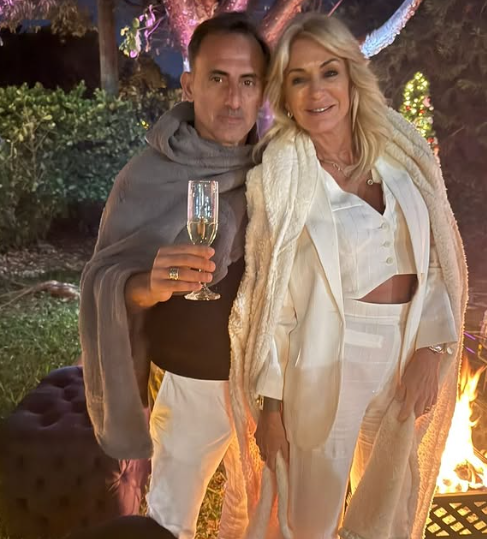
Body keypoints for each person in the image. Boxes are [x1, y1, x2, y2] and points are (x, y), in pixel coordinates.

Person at [229, 13, 468, 539]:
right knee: (307, 523)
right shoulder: (281, 178)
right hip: (323, 362)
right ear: (285, 94)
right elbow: (273, 303)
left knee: (389, 517)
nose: (317, 91)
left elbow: (435, 259)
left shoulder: (399, 159)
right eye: (299, 78)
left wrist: (433, 347)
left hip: (404, 355)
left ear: (351, 77)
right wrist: (271, 409)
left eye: (329, 72)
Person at [79, 12, 270, 539]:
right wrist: (148, 284)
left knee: (266, 520)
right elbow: (103, 277)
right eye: (217, 78)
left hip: (271, 385)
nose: (233, 98)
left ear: (262, 91)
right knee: (169, 524)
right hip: (190, 383)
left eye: (248, 81)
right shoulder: (147, 175)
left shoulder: (275, 169)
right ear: (188, 85)